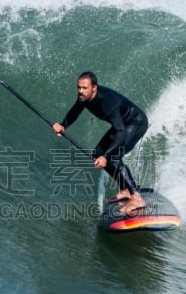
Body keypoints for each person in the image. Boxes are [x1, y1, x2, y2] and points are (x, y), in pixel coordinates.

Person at [52, 71, 148, 215]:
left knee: (112, 157)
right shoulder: (83, 98)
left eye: (84, 88)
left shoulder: (106, 102)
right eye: (78, 87)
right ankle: (126, 189)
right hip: (123, 126)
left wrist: (106, 156)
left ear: (94, 88)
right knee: (97, 154)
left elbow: (120, 131)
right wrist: (63, 125)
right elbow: (75, 111)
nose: (80, 91)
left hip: (136, 123)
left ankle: (136, 196)